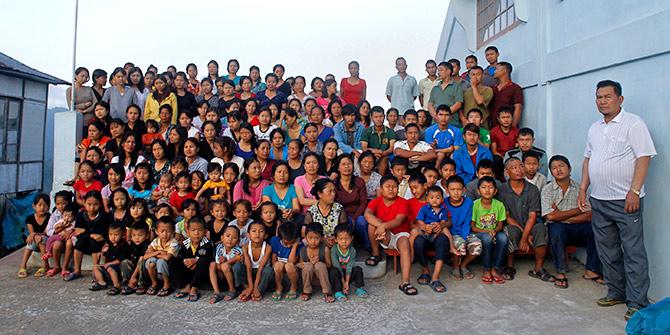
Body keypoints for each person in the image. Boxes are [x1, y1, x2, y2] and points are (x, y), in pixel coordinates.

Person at [577, 80, 656, 321]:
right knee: (607, 251)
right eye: (599, 97)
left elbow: (644, 158)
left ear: (620, 99)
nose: (602, 101)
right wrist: (583, 189)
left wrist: (634, 190)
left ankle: (637, 302)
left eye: (607, 96)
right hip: (599, 199)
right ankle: (616, 292)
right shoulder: (594, 128)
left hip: (625, 200)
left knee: (633, 252)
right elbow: (588, 159)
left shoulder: (634, 123)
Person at [542, 155, 602, 289]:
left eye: (561, 166)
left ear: (569, 169)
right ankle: (561, 273)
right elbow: (549, 217)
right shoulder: (547, 190)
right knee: (556, 229)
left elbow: (588, 215)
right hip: (557, 229)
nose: (558, 170)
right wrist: (576, 211)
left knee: (596, 228)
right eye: (554, 168)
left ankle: (591, 270)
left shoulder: (579, 189)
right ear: (551, 172)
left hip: (577, 228)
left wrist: (561, 216)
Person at [498, 157, 551, 283]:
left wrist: (525, 235)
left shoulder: (532, 189)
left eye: (521, 166)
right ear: (507, 172)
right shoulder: (502, 190)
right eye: (514, 168)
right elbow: (507, 216)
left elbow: (532, 216)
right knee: (510, 231)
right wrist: (524, 236)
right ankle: (510, 266)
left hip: (531, 224)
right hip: (514, 225)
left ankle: (538, 268)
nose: (519, 170)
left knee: (540, 229)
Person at [364, 175, 416, 296]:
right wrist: (381, 226)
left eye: (394, 187)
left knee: (404, 242)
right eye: (388, 186)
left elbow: (398, 220)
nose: (391, 189)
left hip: (399, 234)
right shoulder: (375, 201)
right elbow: (367, 214)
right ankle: (376, 254)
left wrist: (383, 226)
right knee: (371, 225)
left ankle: (405, 282)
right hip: (383, 235)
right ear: (381, 189)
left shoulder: (403, 202)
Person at [63, 191, 110, 281]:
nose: (92, 207)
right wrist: (91, 234)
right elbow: (78, 231)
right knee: (80, 242)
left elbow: (102, 234)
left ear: (100, 204)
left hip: (98, 243)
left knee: (94, 242)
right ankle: (77, 270)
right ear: (84, 203)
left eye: (95, 204)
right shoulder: (80, 215)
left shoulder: (104, 216)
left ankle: (95, 271)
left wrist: (85, 232)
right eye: (89, 204)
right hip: (84, 241)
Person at [413, 186, 452, 293]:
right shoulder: (424, 208)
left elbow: (446, 222)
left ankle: (435, 277)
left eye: (438, 197)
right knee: (418, 242)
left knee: (444, 240)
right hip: (426, 235)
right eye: (432, 197)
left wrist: (440, 225)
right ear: (427, 199)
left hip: (437, 236)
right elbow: (419, 221)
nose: (435, 200)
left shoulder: (444, 210)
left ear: (442, 199)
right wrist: (425, 227)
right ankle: (425, 270)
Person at [471, 176, 508, 284]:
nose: (487, 190)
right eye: (484, 187)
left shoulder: (499, 205)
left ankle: (495, 268)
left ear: (495, 191)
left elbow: (500, 224)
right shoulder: (475, 205)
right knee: (487, 239)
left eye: (490, 187)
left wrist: (495, 230)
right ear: (478, 191)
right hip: (479, 232)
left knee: (503, 238)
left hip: (494, 231)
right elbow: (472, 227)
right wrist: (487, 232)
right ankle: (486, 269)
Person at [444, 176, 480, 280]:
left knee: (477, 245)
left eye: (459, 189)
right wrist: (460, 239)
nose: (456, 193)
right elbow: (445, 222)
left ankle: (463, 265)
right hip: (451, 234)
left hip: (466, 232)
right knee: (459, 243)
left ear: (464, 190)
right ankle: (455, 268)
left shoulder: (468, 203)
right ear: (447, 190)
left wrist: (464, 237)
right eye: (452, 189)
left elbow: (467, 222)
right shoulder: (444, 203)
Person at [173, 217, 213, 302]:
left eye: (200, 230)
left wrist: (196, 260)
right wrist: (187, 262)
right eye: (193, 230)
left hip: (202, 272)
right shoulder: (185, 244)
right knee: (174, 261)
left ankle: (194, 288)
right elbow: (182, 256)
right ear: (188, 231)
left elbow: (209, 258)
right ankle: (186, 286)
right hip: (188, 270)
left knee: (204, 260)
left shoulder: (208, 244)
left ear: (205, 232)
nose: (196, 233)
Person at [236, 222, 274, 302]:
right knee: (237, 266)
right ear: (248, 235)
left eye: (261, 231)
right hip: (248, 272)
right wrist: (250, 286)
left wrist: (256, 287)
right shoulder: (245, 247)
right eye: (254, 231)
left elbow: (260, 268)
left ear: (265, 235)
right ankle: (246, 289)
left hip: (261, 274)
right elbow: (248, 267)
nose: (257, 234)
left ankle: (259, 291)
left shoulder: (267, 247)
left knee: (268, 271)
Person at [304, 179, 348, 245]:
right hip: (318, 243)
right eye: (329, 191)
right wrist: (322, 239)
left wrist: (335, 238)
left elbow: (345, 230)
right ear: (319, 194)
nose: (333, 194)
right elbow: (304, 233)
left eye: (334, 191)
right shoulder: (311, 211)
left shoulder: (339, 209)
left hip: (336, 242)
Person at [17, 194, 51, 278]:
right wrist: (34, 235)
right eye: (39, 205)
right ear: (34, 206)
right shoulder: (30, 218)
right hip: (35, 241)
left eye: (45, 205)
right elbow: (31, 233)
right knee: (34, 239)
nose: (42, 207)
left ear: (49, 207)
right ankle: (23, 265)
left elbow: (47, 232)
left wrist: (35, 234)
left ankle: (44, 265)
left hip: (48, 242)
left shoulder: (50, 217)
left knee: (41, 238)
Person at [90, 224, 129, 295]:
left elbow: (120, 260)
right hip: (109, 268)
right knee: (95, 267)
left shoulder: (124, 245)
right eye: (110, 234)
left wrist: (109, 264)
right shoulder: (110, 244)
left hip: (118, 270)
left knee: (109, 268)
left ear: (123, 235)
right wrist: (102, 252)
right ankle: (102, 283)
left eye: (116, 235)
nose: (113, 237)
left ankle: (117, 285)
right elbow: (106, 259)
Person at [143, 216, 178, 297]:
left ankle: (167, 284)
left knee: (161, 261)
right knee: (151, 262)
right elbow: (145, 257)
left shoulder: (174, 242)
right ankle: (154, 282)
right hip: (159, 264)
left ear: (173, 231)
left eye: (168, 231)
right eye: (162, 231)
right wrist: (159, 252)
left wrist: (154, 252)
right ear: (156, 231)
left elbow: (167, 258)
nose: (165, 234)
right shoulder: (155, 241)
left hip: (171, 267)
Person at [299, 223, 334, 302]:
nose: (313, 241)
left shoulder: (325, 249)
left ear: (321, 238)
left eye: (316, 238)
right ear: (306, 238)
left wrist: (318, 262)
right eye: (310, 238)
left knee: (319, 265)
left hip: (321, 279)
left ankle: (327, 292)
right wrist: (309, 263)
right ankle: (306, 291)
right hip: (309, 279)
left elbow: (329, 265)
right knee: (307, 265)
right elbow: (300, 264)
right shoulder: (303, 250)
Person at [209, 225, 243, 303]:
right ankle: (217, 292)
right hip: (220, 275)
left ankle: (232, 290)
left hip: (233, 279)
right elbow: (217, 264)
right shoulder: (219, 247)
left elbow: (237, 262)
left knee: (225, 265)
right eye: (228, 236)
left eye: (234, 238)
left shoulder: (238, 251)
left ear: (238, 241)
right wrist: (223, 263)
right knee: (212, 264)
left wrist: (228, 261)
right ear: (222, 238)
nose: (230, 239)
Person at [270, 221, 300, 301]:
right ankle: (279, 287)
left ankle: (293, 288)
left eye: (292, 242)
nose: (289, 245)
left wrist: (294, 246)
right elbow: (274, 261)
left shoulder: (298, 244)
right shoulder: (275, 241)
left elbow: (292, 261)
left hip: (293, 273)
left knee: (289, 265)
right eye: (286, 243)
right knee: (278, 264)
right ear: (280, 238)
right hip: (278, 273)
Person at [360, 106, 396, 175]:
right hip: (370, 155)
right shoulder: (367, 131)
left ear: (384, 117)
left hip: (385, 155)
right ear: (371, 117)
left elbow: (391, 148)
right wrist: (374, 152)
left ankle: (379, 180)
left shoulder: (390, 131)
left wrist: (382, 153)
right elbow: (364, 148)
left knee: (385, 158)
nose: (379, 119)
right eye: (376, 117)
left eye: (381, 116)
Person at [427, 62, 463, 127]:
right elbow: (430, 105)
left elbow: (458, 104)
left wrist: (444, 115)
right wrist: (436, 116)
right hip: (435, 123)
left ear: (448, 71)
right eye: (438, 71)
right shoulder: (435, 88)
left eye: (441, 70)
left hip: (452, 123)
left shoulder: (457, 87)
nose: (438, 73)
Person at [119, 224, 150, 295]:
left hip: (143, 271)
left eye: (140, 235)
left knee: (142, 260)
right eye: (134, 235)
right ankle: (126, 282)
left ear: (147, 236)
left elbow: (141, 260)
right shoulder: (131, 245)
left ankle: (141, 284)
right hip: (134, 270)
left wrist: (133, 276)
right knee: (125, 262)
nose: (136, 238)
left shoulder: (147, 245)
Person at [491, 62, 523, 128]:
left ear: (504, 71)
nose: (494, 71)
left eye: (496, 69)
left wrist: (513, 127)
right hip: (494, 127)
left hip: (508, 126)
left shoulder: (515, 88)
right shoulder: (493, 89)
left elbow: (518, 107)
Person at [66, 67, 98, 131]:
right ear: (76, 76)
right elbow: (71, 106)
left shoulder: (89, 89)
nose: (84, 79)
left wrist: (86, 110)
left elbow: (95, 102)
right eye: (82, 76)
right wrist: (85, 105)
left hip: (91, 120)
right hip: (78, 120)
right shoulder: (70, 90)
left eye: (86, 77)